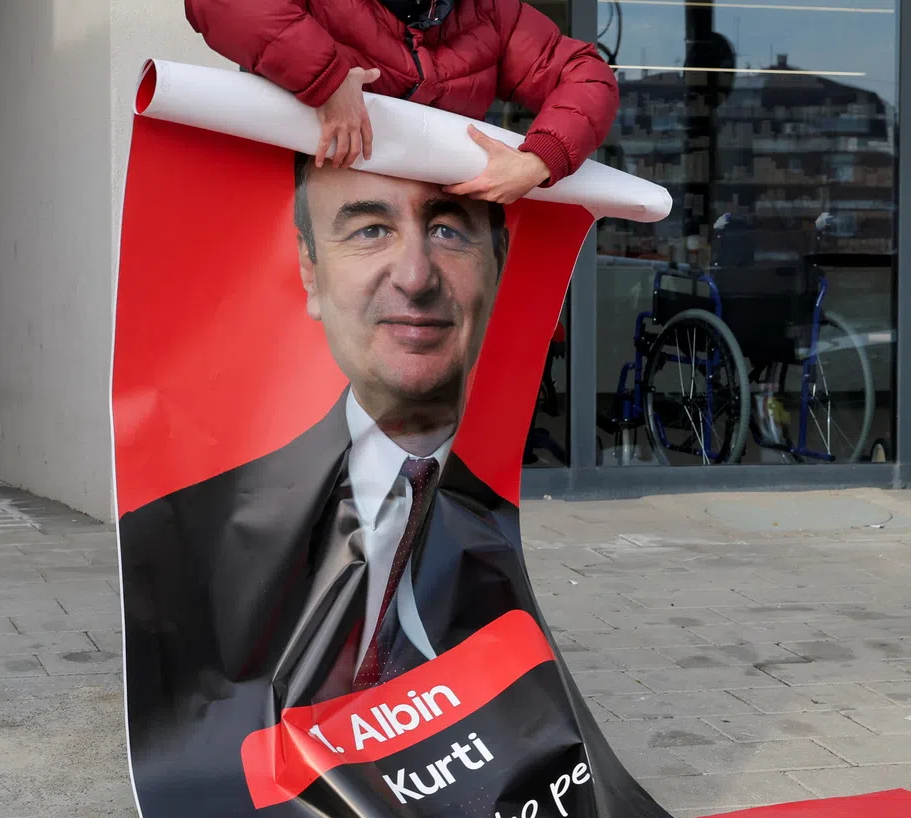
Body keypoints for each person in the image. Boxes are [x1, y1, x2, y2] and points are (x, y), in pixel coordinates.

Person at [119, 160, 509, 741]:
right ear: (309, 270)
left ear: (498, 262)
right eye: (370, 230)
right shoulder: (178, 536)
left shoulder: (511, 521)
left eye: (448, 230)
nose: (415, 275)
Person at [183, 0, 619, 204]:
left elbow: (585, 73)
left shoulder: (494, 14)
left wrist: (539, 161)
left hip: (433, 237)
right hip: (303, 221)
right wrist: (330, 82)